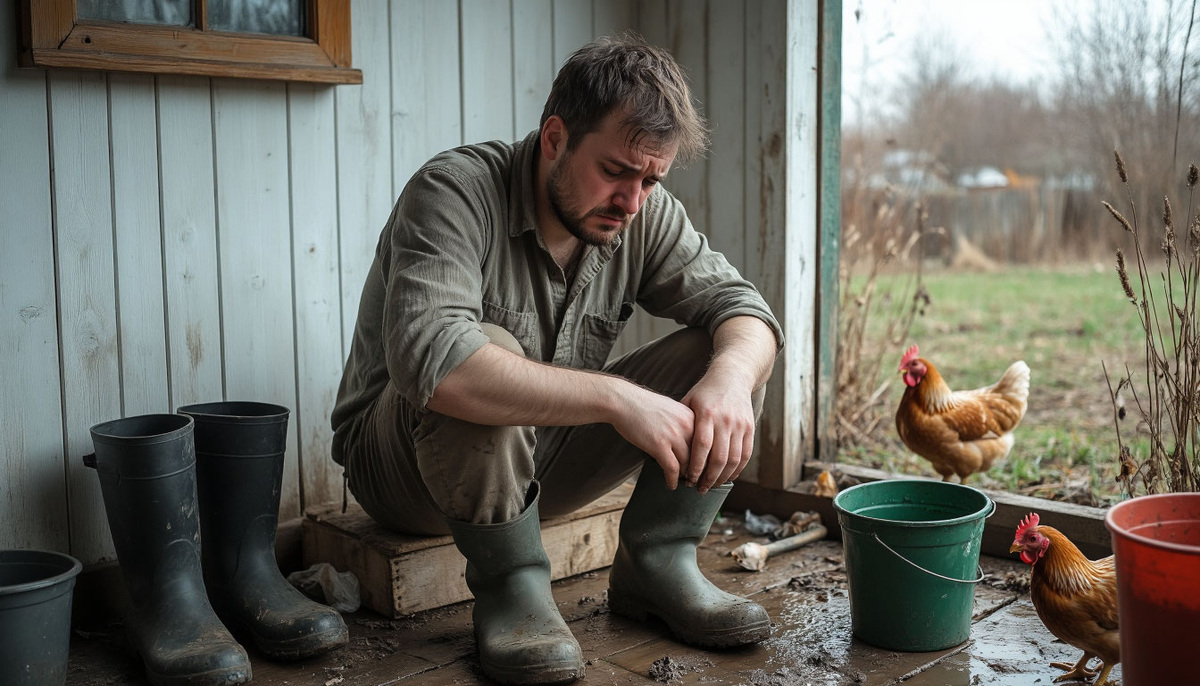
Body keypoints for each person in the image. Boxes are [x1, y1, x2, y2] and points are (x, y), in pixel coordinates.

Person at [331, 33, 784, 685]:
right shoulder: (454, 190)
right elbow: (436, 361)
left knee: (724, 355)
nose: (631, 202)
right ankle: (512, 586)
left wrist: (733, 380)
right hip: (404, 471)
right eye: (615, 172)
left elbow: (747, 310)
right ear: (554, 138)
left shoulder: (640, 213)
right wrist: (618, 398)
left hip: (542, 460)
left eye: (651, 180)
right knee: (484, 357)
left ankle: (659, 563)